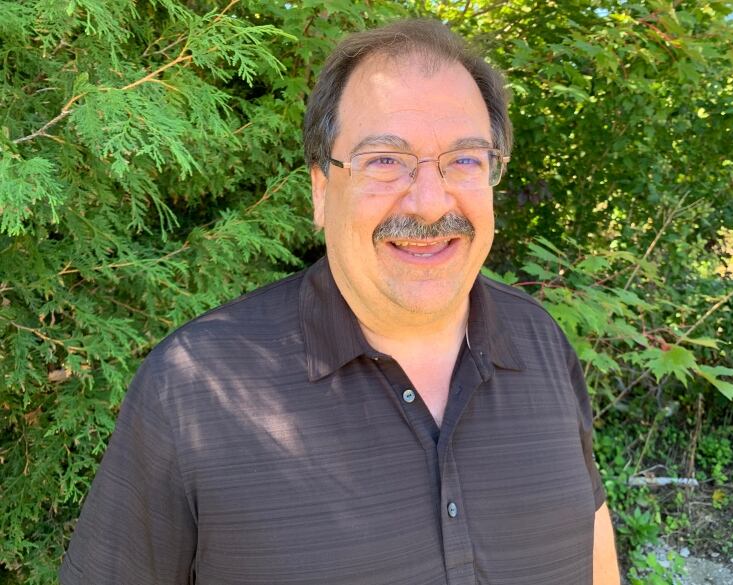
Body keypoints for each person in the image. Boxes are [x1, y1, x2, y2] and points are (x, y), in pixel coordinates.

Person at [60, 18, 619, 585]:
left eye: (466, 159)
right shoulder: (192, 386)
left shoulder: (542, 342)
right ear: (322, 190)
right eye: (384, 160)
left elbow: (595, 552)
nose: (429, 203)